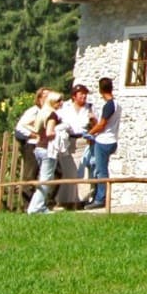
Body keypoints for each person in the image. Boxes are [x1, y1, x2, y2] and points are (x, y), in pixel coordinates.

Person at [26, 92, 66, 214]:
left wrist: (38, 133)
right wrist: (60, 131)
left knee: (43, 178)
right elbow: (49, 133)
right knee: (46, 180)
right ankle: (36, 208)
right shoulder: (52, 115)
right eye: (59, 101)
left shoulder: (42, 112)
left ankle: (37, 206)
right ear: (53, 102)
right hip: (47, 149)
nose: (61, 103)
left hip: (38, 148)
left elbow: (31, 126)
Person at [56, 83, 93, 208]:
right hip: (68, 141)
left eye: (85, 94)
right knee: (69, 171)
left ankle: (80, 199)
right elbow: (54, 119)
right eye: (81, 94)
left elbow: (95, 123)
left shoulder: (89, 108)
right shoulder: (65, 108)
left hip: (83, 140)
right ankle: (66, 200)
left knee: (82, 171)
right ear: (74, 96)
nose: (84, 96)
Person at [87, 78, 120, 208]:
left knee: (101, 171)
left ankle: (101, 199)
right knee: (101, 169)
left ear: (101, 90)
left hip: (104, 141)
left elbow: (102, 125)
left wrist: (90, 133)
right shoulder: (117, 105)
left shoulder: (109, 105)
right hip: (112, 139)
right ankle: (100, 196)